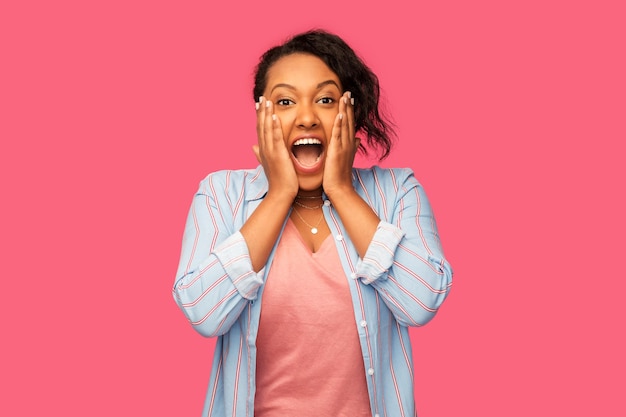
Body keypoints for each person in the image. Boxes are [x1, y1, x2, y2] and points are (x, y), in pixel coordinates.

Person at [172, 29, 453, 417]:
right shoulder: (220, 194)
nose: (306, 117)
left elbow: (421, 302)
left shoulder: (397, 191)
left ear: (349, 113)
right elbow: (204, 314)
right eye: (285, 101)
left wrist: (341, 190)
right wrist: (278, 195)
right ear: (261, 116)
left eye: (325, 99)